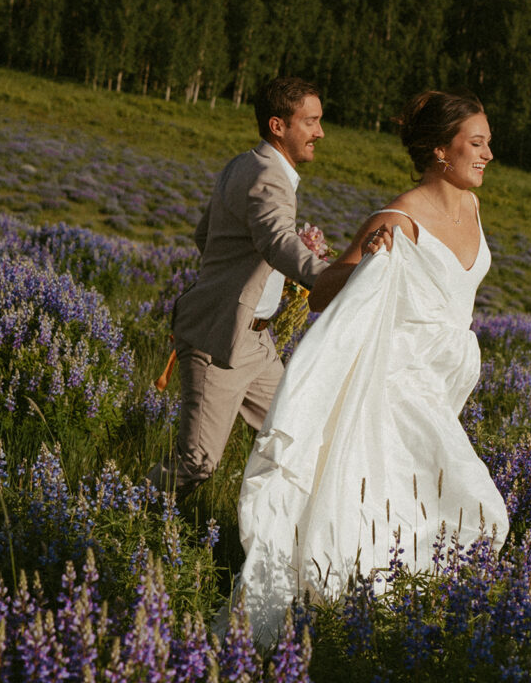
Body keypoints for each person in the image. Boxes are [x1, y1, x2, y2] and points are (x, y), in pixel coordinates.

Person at [232, 89, 510, 645]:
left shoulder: (473, 207)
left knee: (406, 508)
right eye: (476, 143)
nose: (488, 155)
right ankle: (341, 617)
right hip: (395, 387)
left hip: (439, 389)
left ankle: (379, 629)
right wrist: (370, 260)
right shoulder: (398, 217)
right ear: (439, 151)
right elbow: (319, 296)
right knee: (478, 510)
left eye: (488, 144)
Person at [147, 77, 328, 494]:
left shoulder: (242, 164)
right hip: (222, 340)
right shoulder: (269, 175)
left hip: (257, 344)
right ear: (278, 126)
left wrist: (251, 283)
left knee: (294, 437)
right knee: (196, 463)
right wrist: (330, 280)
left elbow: (205, 236)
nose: (320, 132)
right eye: (311, 122)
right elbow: (277, 242)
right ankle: (114, 513)